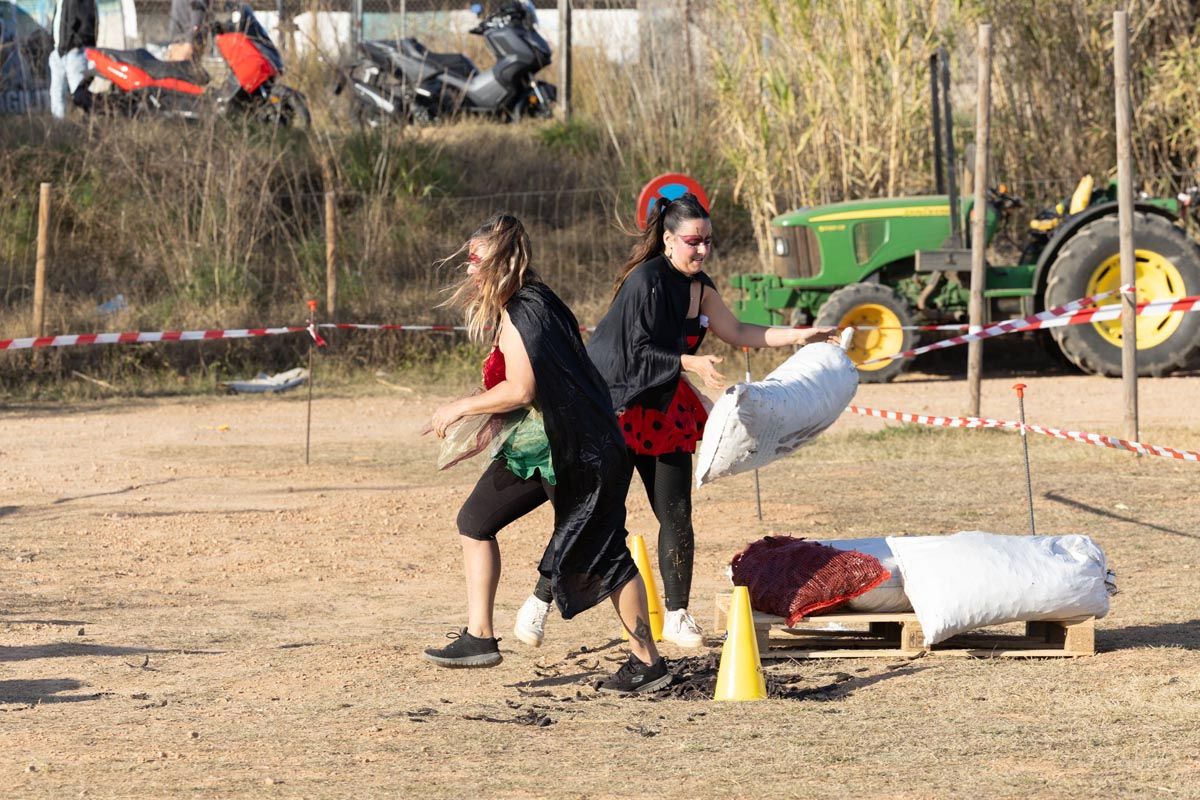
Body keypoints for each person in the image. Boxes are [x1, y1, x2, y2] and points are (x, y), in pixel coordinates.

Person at [514, 194, 837, 648]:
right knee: (593, 513)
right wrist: (691, 362)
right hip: (613, 408)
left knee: (677, 515)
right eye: (693, 242)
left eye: (708, 242)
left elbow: (740, 331)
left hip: (663, 410)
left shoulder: (701, 287)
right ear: (668, 240)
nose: (702, 251)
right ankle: (539, 600)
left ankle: (678, 614)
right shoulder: (644, 281)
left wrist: (801, 336)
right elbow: (635, 352)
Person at [422, 213, 672, 694]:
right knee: (475, 522)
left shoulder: (525, 308)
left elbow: (521, 388)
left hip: (571, 450)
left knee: (607, 553)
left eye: (475, 261)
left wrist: (461, 406)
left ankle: (648, 663)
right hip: (540, 445)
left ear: (498, 261)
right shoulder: (533, 301)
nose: (470, 271)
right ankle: (480, 637)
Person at [48, 0, 96, 119]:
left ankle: (90, 124)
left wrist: (75, 44)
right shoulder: (60, 2)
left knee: (78, 92)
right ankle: (58, 127)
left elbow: (87, 25)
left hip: (74, 52)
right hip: (59, 51)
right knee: (56, 93)